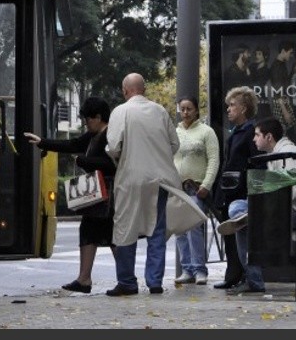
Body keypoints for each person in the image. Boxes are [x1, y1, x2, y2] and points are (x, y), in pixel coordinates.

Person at [24, 96, 116, 294]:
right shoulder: (92, 136)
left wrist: (85, 162)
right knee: (95, 233)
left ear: (98, 117)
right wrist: (43, 143)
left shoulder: (111, 135)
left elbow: (112, 164)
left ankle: (120, 278)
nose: (86, 123)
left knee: (109, 235)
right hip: (97, 194)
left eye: (88, 119)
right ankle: (87, 278)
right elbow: (72, 144)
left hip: (108, 192)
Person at [217, 116, 296, 294]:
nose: (253, 139)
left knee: (237, 214)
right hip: (287, 208)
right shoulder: (276, 154)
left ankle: (254, 280)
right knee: (238, 210)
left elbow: (290, 192)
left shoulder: (287, 153)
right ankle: (246, 217)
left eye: (257, 135)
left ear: (269, 137)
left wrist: (261, 206)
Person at [104, 72, 182, 296]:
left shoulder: (121, 111)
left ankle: (127, 282)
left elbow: (113, 147)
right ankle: (154, 281)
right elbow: (174, 144)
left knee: (125, 228)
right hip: (160, 180)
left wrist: (122, 158)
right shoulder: (160, 111)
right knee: (156, 230)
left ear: (125, 90)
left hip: (131, 178)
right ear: (144, 89)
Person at [211, 86, 264, 290]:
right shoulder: (237, 132)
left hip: (240, 192)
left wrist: (251, 194)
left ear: (243, 108)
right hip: (229, 191)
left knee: (240, 236)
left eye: (232, 105)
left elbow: (257, 163)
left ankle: (242, 276)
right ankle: (234, 274)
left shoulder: (250, 132)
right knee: (230, 237)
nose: (228, 109)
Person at [172, 96, 220, 285]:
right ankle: (187, 270)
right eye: (182, 109)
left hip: (196, 187)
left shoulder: (206, 132)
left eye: (189, 109)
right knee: (179, 230)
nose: (185, 112)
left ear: (196, 110)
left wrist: (206, 185)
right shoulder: (174, 132)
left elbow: (214, 160)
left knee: (194, 229)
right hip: (177, 188)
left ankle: (200, 269)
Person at [269, 40, 295, 134]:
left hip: (283, 101)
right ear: (283, 51)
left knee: (288, 133)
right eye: (290, 53)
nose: (291, 56)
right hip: (280, 103)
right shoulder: (277, 67)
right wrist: (285, 111)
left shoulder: (282, 64)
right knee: (283, 134)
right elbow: (277, 91)